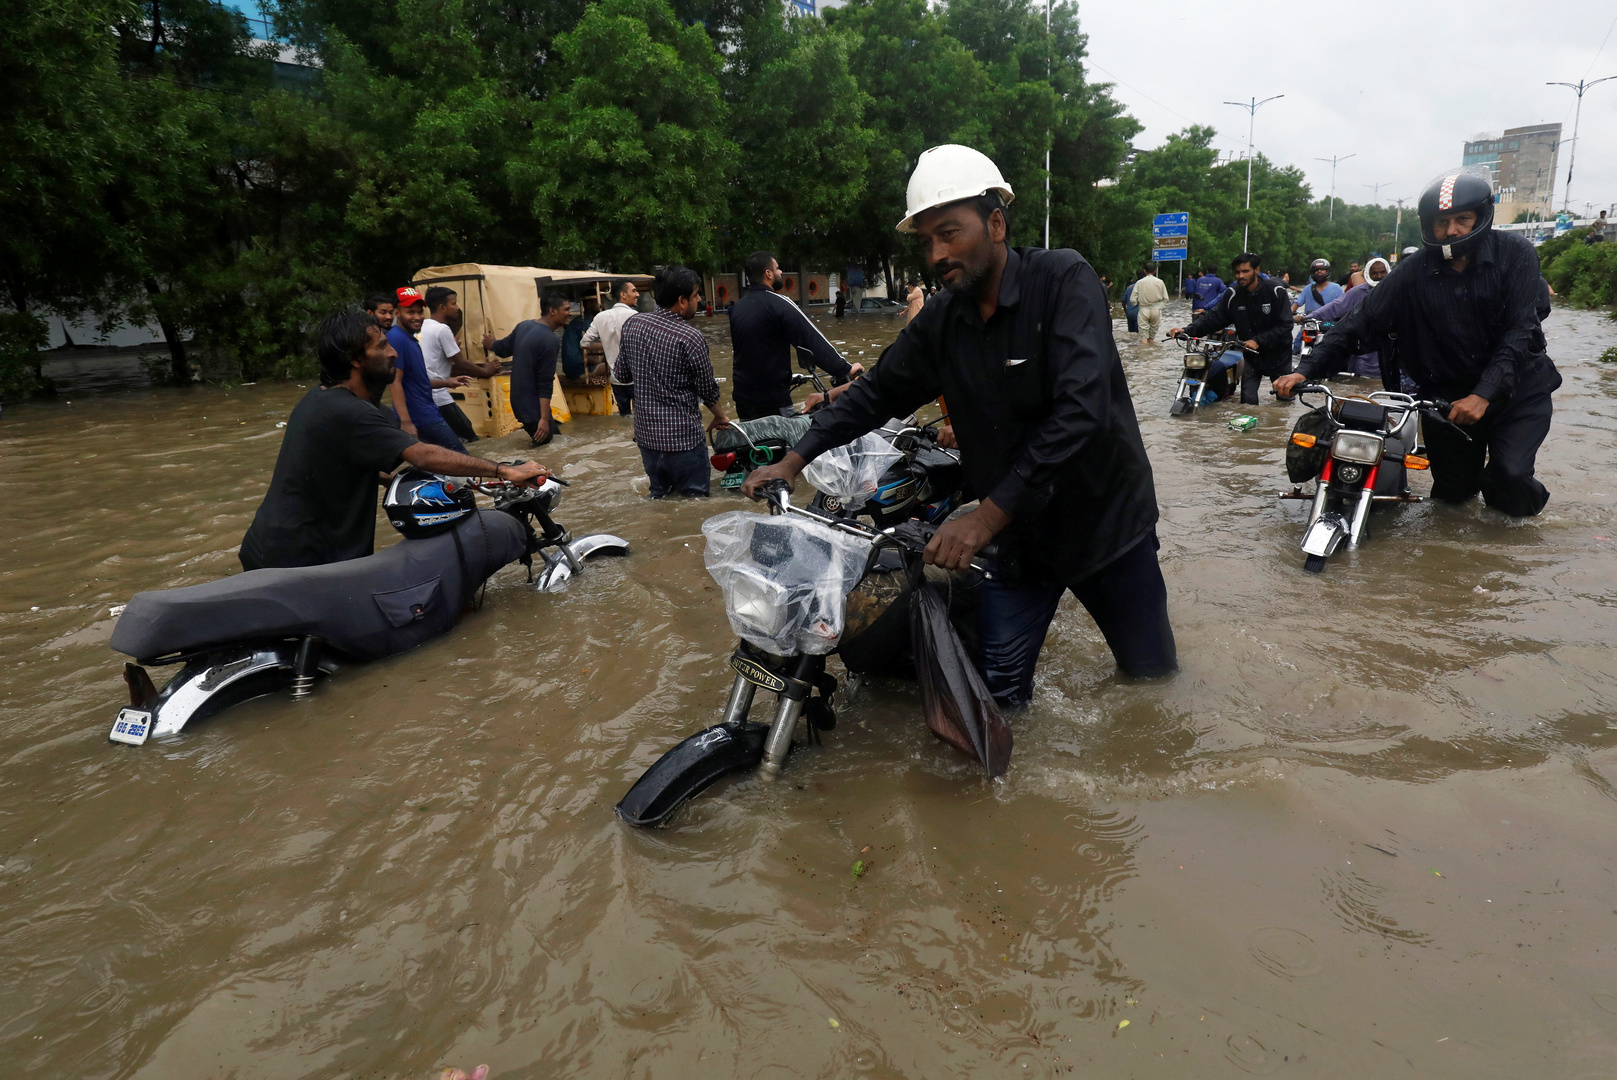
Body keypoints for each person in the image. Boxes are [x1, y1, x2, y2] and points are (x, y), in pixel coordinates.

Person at [741, 144, 1175, 705]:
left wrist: (984, 518)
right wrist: (794, 459)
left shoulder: (1063, 280)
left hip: (1105, 527)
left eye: (949, 233)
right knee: (996, 701)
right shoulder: (944, 318)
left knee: (1152, 685)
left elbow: (1081, 413)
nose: (937, 253)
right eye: (926, 242)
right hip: (1020, 545)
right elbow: (877, 393)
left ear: (996, 223)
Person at [1275, 169, 1561, 517]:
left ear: (1482, 217)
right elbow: (1359, 322)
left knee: (1509, 475)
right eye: (1442, 222)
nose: (1452, 230)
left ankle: (1514, 538)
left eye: (1463, 219)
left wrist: (1483, 393)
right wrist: (1304, 370)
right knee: (1452, 499)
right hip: (1447, 396)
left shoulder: (1515, 253)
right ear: (1428, 225)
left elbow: (1521, 331)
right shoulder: (1413, 271)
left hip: (1518, 388)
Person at [238, 310, 547, 571]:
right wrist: (504, 470)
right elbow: (423, 454)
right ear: (355, 359)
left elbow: (343, 467)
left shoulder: (318, 399)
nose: (392, 353)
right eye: (381, 346)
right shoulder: (352, 413)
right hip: (301, 560)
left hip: (269, 548)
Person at [616, 265, 731, 497]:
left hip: (647, 438)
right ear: (681, 301)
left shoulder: (633, 325)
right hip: (683, 441)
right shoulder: (690, 337)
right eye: (696, 295)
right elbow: (708, 389)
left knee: (659, 497)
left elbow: (622, 375)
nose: (699, 300)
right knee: (694, 503)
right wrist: (720, 417)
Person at [727, 251, 863, 420]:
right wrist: (845, 368)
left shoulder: (736, 309)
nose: (781, 272)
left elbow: (753, 351)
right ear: (768, 274)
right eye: (777, 268)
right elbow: (812, 339)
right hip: (774, 401)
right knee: (796, 443)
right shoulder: (780, 303)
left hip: (743, 400)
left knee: (756, 445)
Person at [1169, 253, 1294, 405]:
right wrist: (1186, 331)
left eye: (1245, 271)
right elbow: (1213, 319)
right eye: (1237, 272)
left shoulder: (1275, 291)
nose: (1240, 276)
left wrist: (1258, 340)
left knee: (1284, 400)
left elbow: (1286, 325)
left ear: (1256, 270)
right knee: (1247, 402)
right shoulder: (1232, 295)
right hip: (1252, 356)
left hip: (1279, 354)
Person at [387, 287, 470, 451]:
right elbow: (395, 381)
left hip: (426, 412)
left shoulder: (410, 338)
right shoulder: (397, 338)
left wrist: (448, 383)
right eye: (410, 312)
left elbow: (418, 381)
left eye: (419, 312)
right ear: (397, 313)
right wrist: (406, 422)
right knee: (461, 458)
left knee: (440, 464)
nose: (417, 317)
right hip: (421, 417)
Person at [485, 291, 569, 446]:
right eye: (566, 309)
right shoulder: (550, 340)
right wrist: (543, 419)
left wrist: (491, 344)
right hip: (532, 408)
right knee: (547, 448)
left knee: (555, 442)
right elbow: (545, 382)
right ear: (552, 311)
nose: (569, 313)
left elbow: (503, 349)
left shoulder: (524, 326)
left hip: (520, 403)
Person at [420, 286, 499, 444]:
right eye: (454, 303)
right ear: (442, 307)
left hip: (425, 393)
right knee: (470, 437)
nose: (457, 308)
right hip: (439, 395)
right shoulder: (443, 329)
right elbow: (462, 363)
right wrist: (485, 371)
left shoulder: (423, 326)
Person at [1294, 256, 1388, 378]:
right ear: (1367, 274)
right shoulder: (1357, 292)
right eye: (1375, 273)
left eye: (1382, 272)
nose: (1379, 276)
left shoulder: (1397, 291)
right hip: (1362, 352)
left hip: (1387, 350)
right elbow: (1334, 307)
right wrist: (1307, 317)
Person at [581, 278, 641, 416]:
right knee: (642, 417)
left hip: (616, 378)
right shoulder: (635, 317)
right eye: (634, 291)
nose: (637, 294)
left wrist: (606, 345)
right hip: (636, 377)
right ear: (623, 295)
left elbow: (584, 343)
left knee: (624, 416)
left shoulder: (601, 317)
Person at [1294, 259, 1344, 355]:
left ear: (1327, 271)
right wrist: (1288, 316)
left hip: (1329, 325)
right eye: (1317, 270)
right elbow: (1296, 304)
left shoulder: (1336, 288)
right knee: (1296, 346)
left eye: (1322, 269)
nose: (1319, 272)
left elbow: (1342, 307)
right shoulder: (1307, 289)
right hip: (1310, 324)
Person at [559, 295, 600, 380]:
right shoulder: (584, 323)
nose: (601, 304)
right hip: (578, 369)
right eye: (599, 301)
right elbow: (589, 352)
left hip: (572, 368)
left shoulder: (584, 321)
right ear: (589, 304)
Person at [1132, 265, 1168, 345]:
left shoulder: (1139, 282)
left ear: (1145, 271)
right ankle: (1152, 353)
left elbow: (1133, 300)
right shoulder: (1160, 282)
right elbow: (1166, 299)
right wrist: (1159, 307)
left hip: (1143, 310)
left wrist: (1136, 304)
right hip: (1156, 310)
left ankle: (1144, 354)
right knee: (1152, 337)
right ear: (1155, 271)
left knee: (1143, 337)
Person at [1122, 270, 1142, 336]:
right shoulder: (1143, 288)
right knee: (1139, 335)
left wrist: (1126, 311)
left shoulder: (1129, 287)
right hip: (1139, 315)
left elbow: (1123, 300)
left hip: (1129, 314)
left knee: (1131, 334)